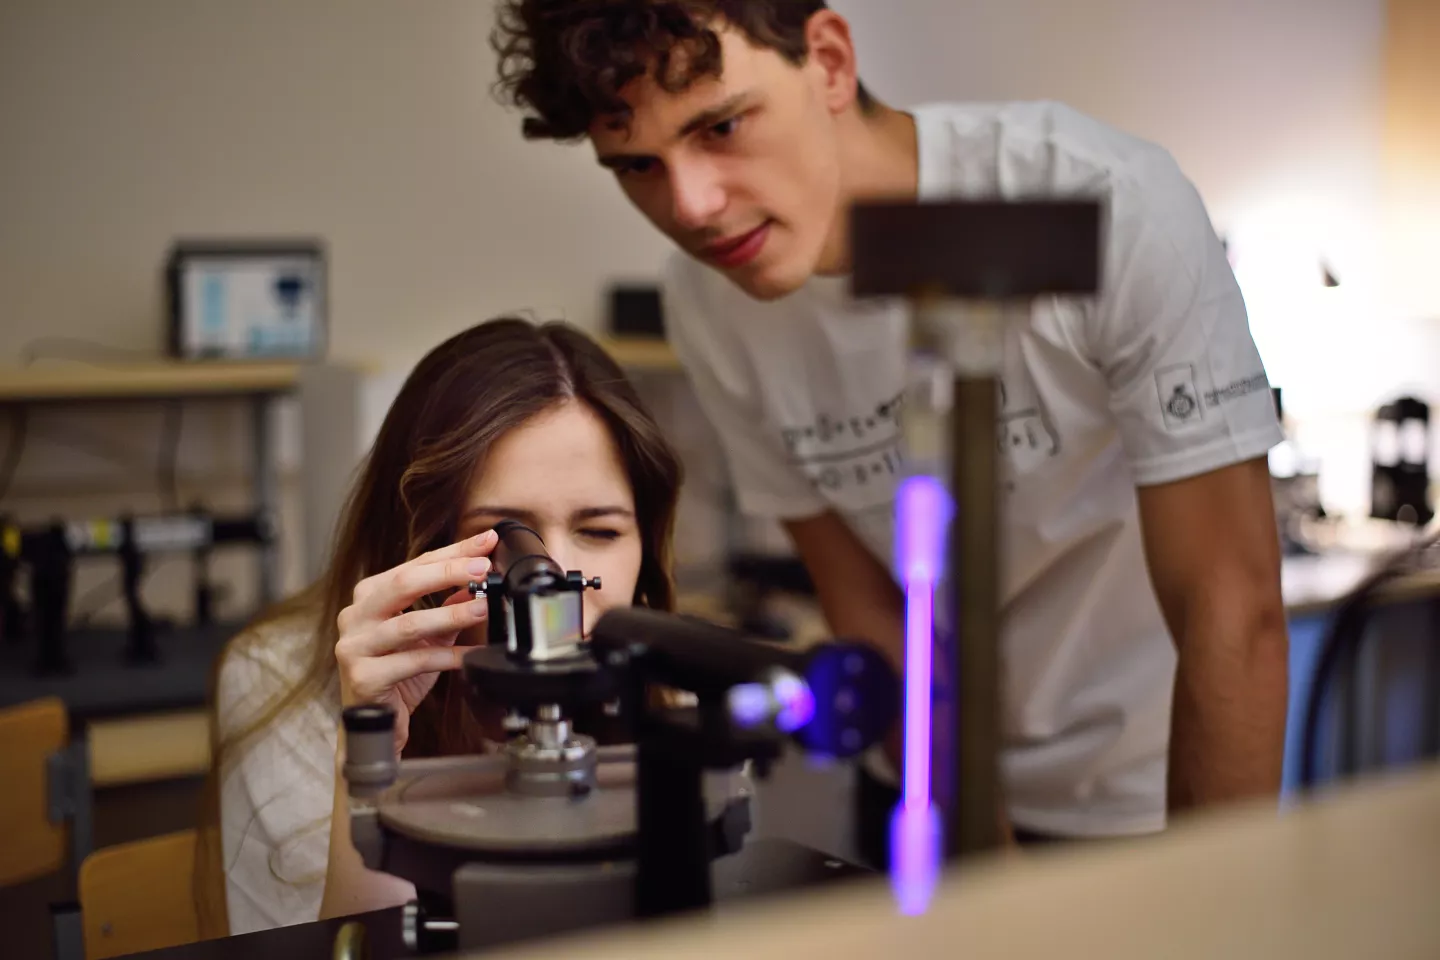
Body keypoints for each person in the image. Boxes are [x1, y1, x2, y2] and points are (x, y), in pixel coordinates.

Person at [490, 1, 1290, 860]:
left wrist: (1206, 893)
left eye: (721, 126)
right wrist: (984, 864)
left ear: (830, 61)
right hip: (922, 783)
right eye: (638, 165)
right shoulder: (708, 303)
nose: (693, 206)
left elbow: (1230, 603)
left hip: (1147, 795)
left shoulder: (1107, 201)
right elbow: (869, 604)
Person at [193, 317, 683, 936]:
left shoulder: (676, 690)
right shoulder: (278, 682)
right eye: (509, 538)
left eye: (600, 530)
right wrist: (370, 747)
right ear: (418, 544)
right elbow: (356, 947)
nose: (557, 581)